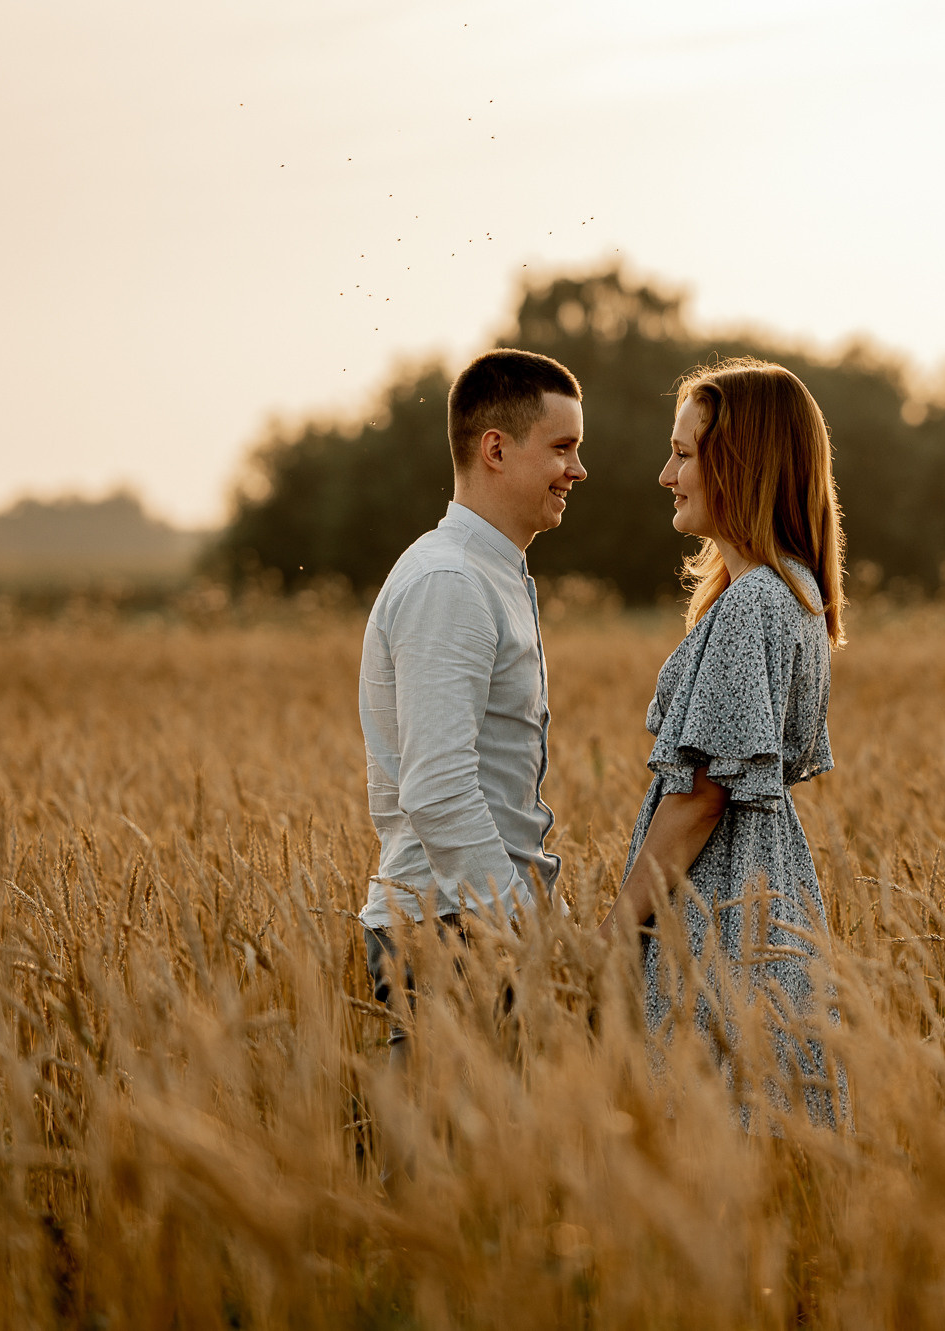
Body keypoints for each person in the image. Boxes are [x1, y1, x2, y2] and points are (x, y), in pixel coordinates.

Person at [597, 356, 846, 1123]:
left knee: (703, 1133)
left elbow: (701, 797)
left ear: (736, 463)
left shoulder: (751, 608)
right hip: (777, 904)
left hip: (722, 918)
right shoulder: (798, 593)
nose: (665, 473)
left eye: (682, 452)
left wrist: (612, 935)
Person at [359, 348, 585, 1067]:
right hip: (451, 924)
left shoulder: (489, 572)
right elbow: (438, 786)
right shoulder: (451, 581)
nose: (577, 470)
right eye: (562, 447)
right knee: (445, 1168)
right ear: (495, 449)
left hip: (468, 914)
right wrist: (518, 925)